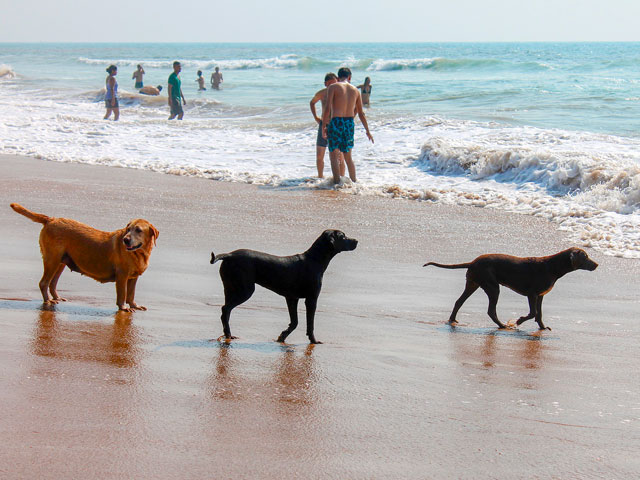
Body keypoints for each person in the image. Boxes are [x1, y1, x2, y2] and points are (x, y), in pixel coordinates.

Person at [322, 67, 374, 184]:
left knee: (334, 154)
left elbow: (327, 109)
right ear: (349, 77)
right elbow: (361, 113)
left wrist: (323, 127)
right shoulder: (355, 90)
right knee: (348, 156)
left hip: (336, 121)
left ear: (338, 77)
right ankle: (354, 183)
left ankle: (336, 183)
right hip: (349, 122)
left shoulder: (333, 87)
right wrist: (367, 131)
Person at [310, 73, 345, 178]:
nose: (332, 86)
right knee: (320, 155)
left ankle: (341, 177)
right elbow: (312, 102)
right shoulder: (322, 93)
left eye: (334, 83)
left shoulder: (341, 93)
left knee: (340, 156)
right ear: (325, 84)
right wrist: (316, 117)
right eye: (329, 84)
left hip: (336, 125)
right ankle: (320, 177)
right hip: (324, 124)